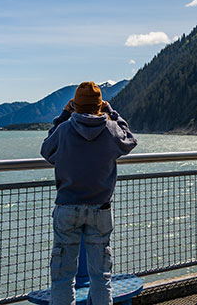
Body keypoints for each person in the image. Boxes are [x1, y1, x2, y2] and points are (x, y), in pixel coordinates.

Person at [40, 81, 138, 305]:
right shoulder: (111, 129)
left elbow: (46, 150)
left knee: (62, 278)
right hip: (101, 209)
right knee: (101, 277)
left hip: (67, 207)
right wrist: (111, 111)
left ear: (75, 105)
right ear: (99, 105)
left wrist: (63, 116)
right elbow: (130, 139)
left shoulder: (64, 130)